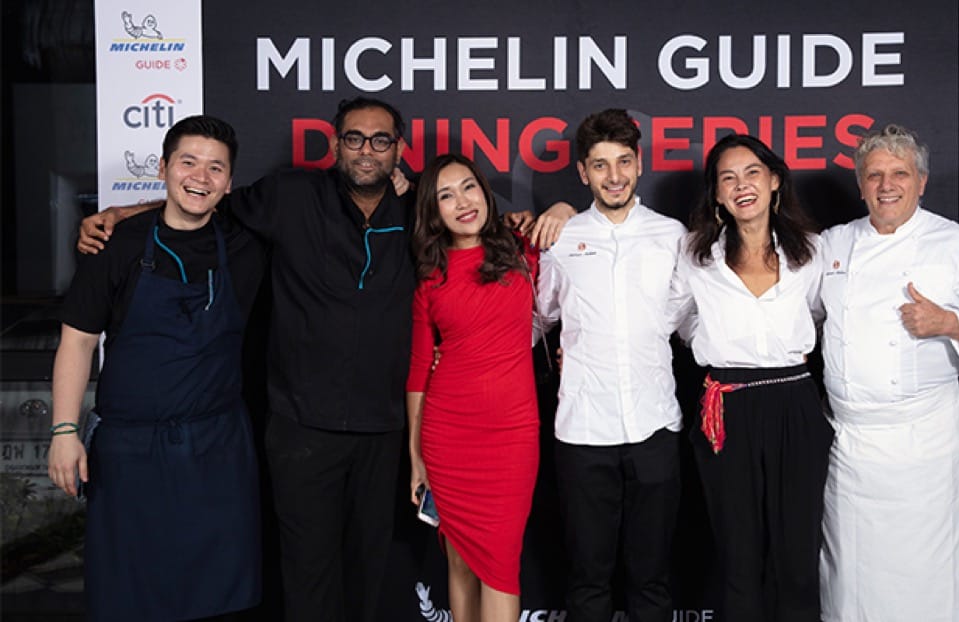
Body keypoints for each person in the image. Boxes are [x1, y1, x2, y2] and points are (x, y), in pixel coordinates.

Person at [77, 97, 572, 621]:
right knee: (308, 576)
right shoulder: (290, 194)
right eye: (355, 138)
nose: (367, 150)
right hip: (300, 428)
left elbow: (486, 227)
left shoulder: (418, 212)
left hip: (383, 431)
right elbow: (202, 203)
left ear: (398, 151)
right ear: (335, 145)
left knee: (373, 575)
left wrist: (556, 211)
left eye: (381, 140)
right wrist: (123, 216)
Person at [48, 115, 266, 621]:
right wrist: (63, 430)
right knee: (129, 599)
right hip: (130, 456)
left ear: (229, 183)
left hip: (217, 452)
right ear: (164, 167)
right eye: (188, 162)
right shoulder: (116, 245)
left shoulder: (246, 244)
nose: (201, 176)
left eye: (216, 168)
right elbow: (77, 342)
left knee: (218, 599)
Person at [816, 124, 959, 621]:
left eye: (899, 174)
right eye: (874, 175)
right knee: (852, 576)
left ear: (922, 181)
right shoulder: (834, 244)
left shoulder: (955, 244)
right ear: (860, 184)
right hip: (850, 444)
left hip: (925, 445)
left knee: (930, 577)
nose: (887, 185)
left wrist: (949, 322)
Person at [536, 108, 691, 622]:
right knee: (587, 581)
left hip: (655, 427)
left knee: (652, 580)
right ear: (583, 172)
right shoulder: (561, 238)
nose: (615, 176)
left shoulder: (673, 236)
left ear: (639, 162)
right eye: (600, 165)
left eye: (623, 161)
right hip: (582, 432)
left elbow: (689, 320)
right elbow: (537, 320)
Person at [677, 133, 834, 621]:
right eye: (728, 178)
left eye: (751, 173)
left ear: (774, 181)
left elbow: (822, 314)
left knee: (797, 558)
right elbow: (682, 322)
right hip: (726, 408)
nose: (741, 185)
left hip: (795, 404)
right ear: (717, 195)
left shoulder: (813, 251)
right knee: (738, 558)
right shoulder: (694, 256)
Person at [406, 153, 540, 622]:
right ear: (433, 210)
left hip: (512, 435)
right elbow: (420, 368)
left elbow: (569, 236)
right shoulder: (431, 278)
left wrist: (561, 209)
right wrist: (416, 455)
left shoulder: (522, 247)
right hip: (448, 435)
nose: (462, 202)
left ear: (485, 193)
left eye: (469, 187)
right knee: (459, 559)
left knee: (501, 565)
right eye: (446, 195)